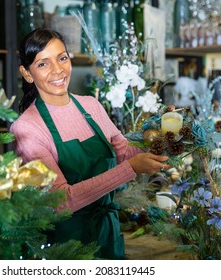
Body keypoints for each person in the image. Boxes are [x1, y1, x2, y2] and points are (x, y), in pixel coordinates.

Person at [10, 28, 171, 260]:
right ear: (27, 73)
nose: (58, 70)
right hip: (66, 246)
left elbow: (123, 152)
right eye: (43, 64)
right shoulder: (27, 129)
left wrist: (168, 134)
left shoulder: (91, 106)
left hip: (107, 233)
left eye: (62, 58)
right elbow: (60, 202)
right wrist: (131, 169)